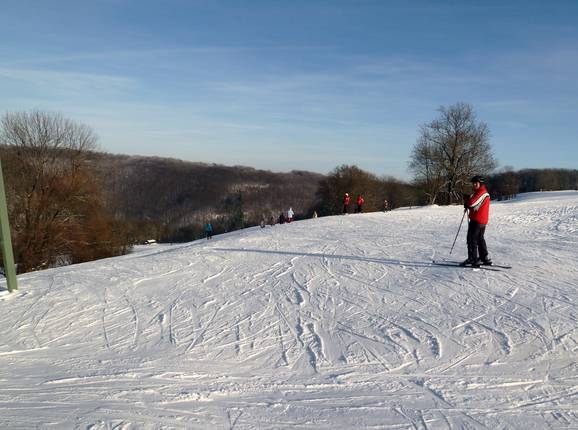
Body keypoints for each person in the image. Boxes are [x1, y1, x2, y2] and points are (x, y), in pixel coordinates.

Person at [461, 175, 492, 267]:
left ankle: (473, 259)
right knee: (479, 239)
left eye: (476, 183)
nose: (474, 185)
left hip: (477, 220)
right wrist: (468, 204)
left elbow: (472, 203)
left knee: (471, 239)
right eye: (473, 183)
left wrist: (466, 200)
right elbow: (475, 206)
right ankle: (483, 257)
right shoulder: (479, 192)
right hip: (481, 220)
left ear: (480, 183)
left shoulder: (482, 192)